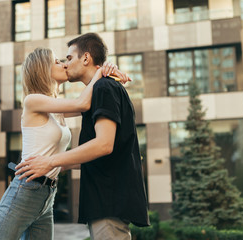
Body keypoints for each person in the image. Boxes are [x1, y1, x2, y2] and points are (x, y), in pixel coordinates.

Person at [16, 33, 150, 240]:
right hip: (105, 201)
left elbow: (104, 145)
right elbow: (102, 151)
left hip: (109, 201)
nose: (66, 64)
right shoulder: (98, 91)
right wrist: (54, 165)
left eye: (69, 58)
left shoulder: (104, 88)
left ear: (86, 58)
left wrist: (50, 161)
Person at [0, 47, 127, 240]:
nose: (64, 64)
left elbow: (96, 103)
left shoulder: (56, 107)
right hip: (25, 191)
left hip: (47, 194)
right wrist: (100, 73)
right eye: (57, 62)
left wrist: (110, 72)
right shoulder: (33, 101)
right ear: (42, 69)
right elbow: (82, 104)